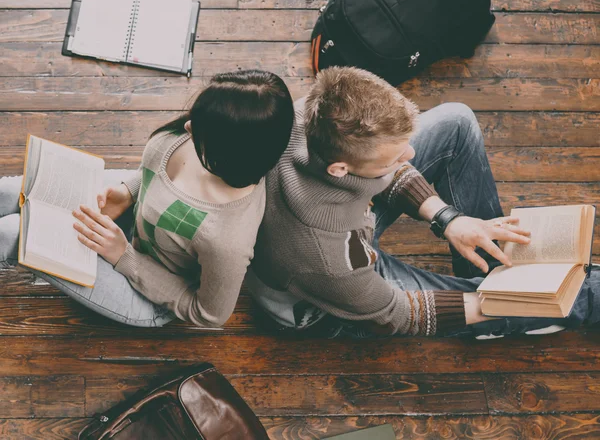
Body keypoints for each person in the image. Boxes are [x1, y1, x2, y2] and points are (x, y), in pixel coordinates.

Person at [247, 66, 600, 339]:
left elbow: (383, 169)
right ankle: (504, 306)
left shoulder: (309, 114)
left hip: (343, 225)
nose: (411, 156)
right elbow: (396, 314)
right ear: (341, 169)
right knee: (576, 293)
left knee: (456, 121)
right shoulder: (328, 258)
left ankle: (489, 263)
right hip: (330, 303)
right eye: (394, 158)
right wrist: (510, 301)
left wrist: (448, 219)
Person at [0, 70, 294, 328]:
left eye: (202, 128)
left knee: (12, 233)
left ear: (230, 151)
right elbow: (154, 174)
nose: (188, 126)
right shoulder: (202, 135)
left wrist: (123, 256)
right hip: (131, 224)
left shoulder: (227, 239)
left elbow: (210, 314)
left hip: (143, 290)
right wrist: (129, 191)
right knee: (9, 193)